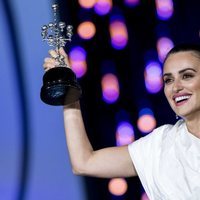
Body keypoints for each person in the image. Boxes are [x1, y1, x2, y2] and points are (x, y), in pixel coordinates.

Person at [43, 44, 200, 199]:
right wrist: (69, 95)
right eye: (168, 80)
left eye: (187, 76)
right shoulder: (160, 145)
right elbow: (84, 162)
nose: (175, 87)